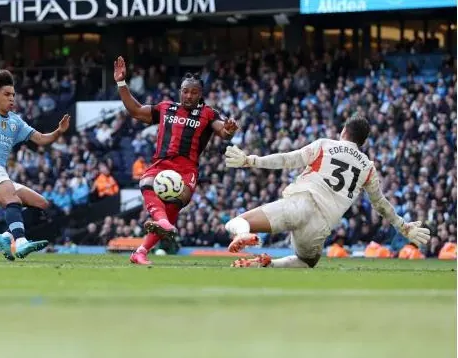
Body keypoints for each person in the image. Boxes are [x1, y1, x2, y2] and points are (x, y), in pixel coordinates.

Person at [223, 113, 430, 268]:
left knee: (238, 222)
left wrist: (251, 160)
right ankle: (270, 264)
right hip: (321, 225)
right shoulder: (367, 167)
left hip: (302, 204)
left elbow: (288, 159)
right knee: (307, 261)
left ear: (343, 132)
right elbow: (381, 204)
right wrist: (403, 226)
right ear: (363, 142)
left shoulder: (325, 145)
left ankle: (243, 234)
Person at [113, 56, 239, 265]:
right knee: (146, 184)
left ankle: (154, 232)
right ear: (180, 91)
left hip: (186, 169)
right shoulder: (165, 108)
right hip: (161, 163)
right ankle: (143, 249)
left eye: (194, 92)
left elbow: (223, 131)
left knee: (175, 202)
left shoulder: (207, 113)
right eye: (185, 91)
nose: (188, 96)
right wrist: (121, 83)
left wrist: (229, 129)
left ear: (201, 95)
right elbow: (135, 110)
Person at [0, 69, 71, 261]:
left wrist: (58, 131)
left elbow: (41, 139)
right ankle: (21, 242)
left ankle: (5, 237)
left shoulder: (16, 122)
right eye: (7, 94)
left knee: (41, 204)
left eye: (13, 95)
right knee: (13, 200)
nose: (12, 99)